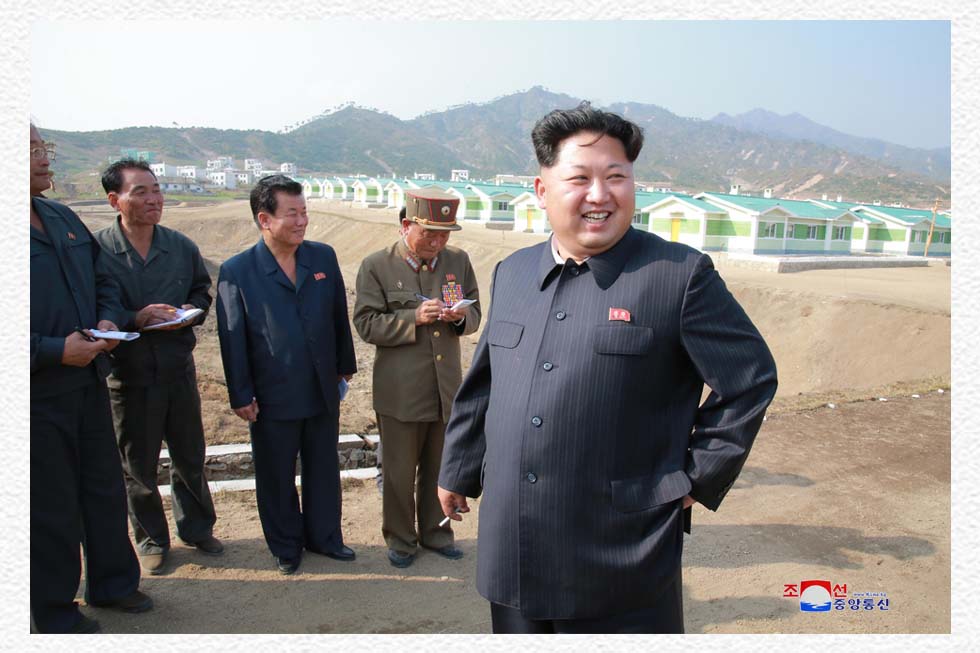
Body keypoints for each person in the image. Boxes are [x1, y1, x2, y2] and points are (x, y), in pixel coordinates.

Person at [437, 103, 778, 633]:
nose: (600, 195)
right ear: (542, 190)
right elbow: (484, 383)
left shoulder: (678, 276)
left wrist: (696, 477)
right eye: (580, 179)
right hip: (513, 536)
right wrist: (458, 469)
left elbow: (750, 379)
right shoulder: (514, 272)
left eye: (616, 177)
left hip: (621, 547)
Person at [30, 124, 152, 634]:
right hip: (34, 396)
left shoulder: (61, 217)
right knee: (50, 503)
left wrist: (107, 319)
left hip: (88, 382)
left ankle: (114, 583)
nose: (44, 157)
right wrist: (54, 350)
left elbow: (104, 281)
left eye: (45, 147)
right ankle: (55, 609)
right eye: (32, 149)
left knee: (103, 487)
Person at [216, 174, 357, 575]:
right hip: (272, 393)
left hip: (321, 385)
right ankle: (285, 545)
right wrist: (241, 393)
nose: (302, 221)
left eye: (304, 212)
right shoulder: (238, 271)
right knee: (276, 472)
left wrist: (344, 367)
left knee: (323, 467)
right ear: (265, 219)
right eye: (292, 213)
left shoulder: (322, 257)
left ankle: (325, 537)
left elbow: (338, 316)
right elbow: (232, 337)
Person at [94, 159, 221, 576]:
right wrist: (135, 317)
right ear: (115, 200)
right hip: (128, 375)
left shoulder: (180, 246)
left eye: (156, 189)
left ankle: (197, 528)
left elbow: (201, 291)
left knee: (189, 456)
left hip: (177, 368)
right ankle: (151, 539)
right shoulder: (98, 250)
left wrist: (189, 312)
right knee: (138, 466)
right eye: (141, 192)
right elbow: (94, 305)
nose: (154, 199)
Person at [354, 189, 481, 568]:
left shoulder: (458, 261)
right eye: (429, 234)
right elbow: (366, 323)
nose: (438, 242)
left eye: (444, 235)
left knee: (441, 467)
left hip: (445, 389)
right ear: (406, 225)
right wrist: (413, 318)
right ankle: (401, 540)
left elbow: (475, 314)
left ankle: (436, 533)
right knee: (398, 472)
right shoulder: (377, 266)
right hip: (401, 392)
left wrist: (460, 317)